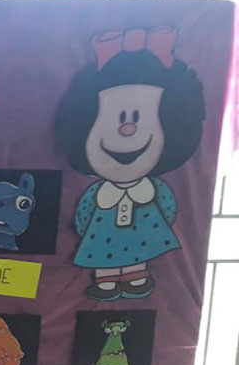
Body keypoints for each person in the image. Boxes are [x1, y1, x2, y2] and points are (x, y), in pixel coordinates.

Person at [55, 25, 205, 301]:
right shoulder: (101, 192)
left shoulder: (150, 189)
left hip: (140, 240)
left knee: (136, 254)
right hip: (106, 241)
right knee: (107, 256)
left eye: (137, 118)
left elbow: (167, 209)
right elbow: (83, 215)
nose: (127, 130)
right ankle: (108, 278)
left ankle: (135, 274)